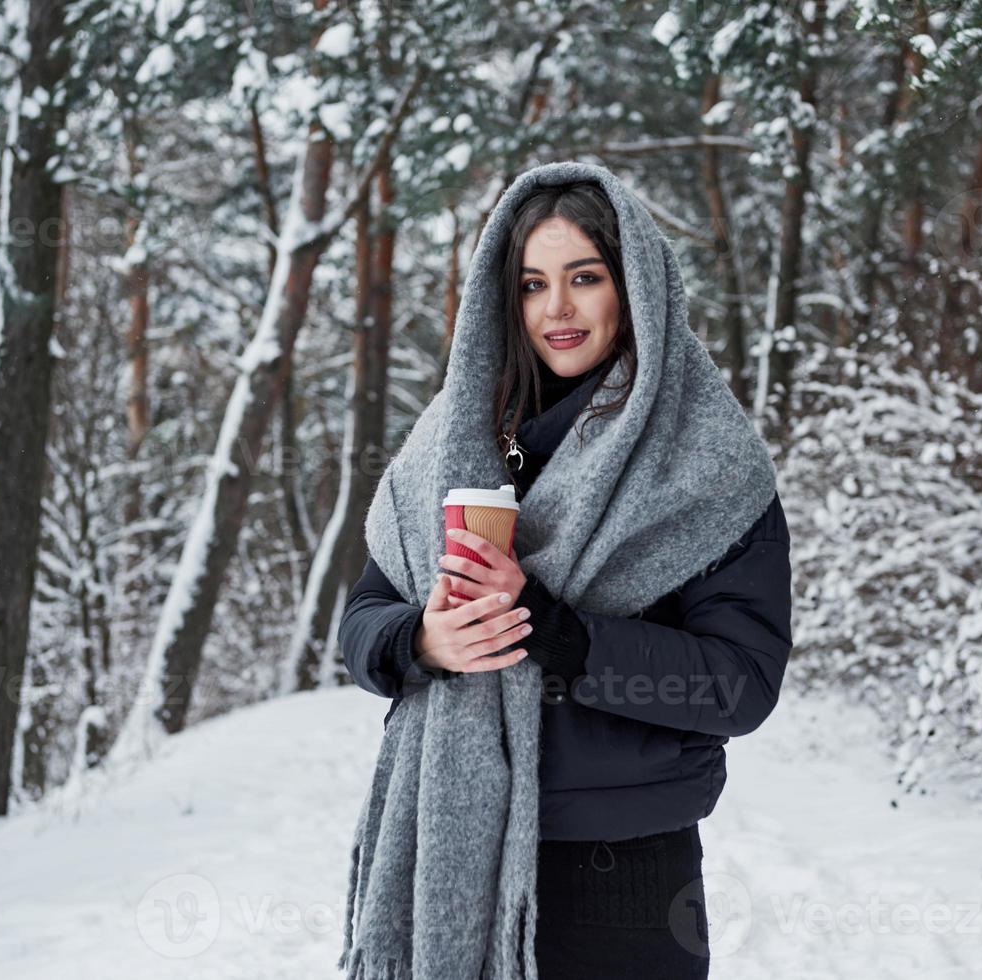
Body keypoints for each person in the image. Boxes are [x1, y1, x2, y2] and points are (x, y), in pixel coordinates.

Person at [337, 164, 791, 980]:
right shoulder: (451, 438)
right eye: (531, 284)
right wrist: (423, 640)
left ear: (636, 287)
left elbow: (740, 685)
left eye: (584, 278)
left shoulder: (707, 460)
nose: (556, 309)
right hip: (444, 838)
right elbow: (364, 618)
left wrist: (558, 633)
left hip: (621, 867)